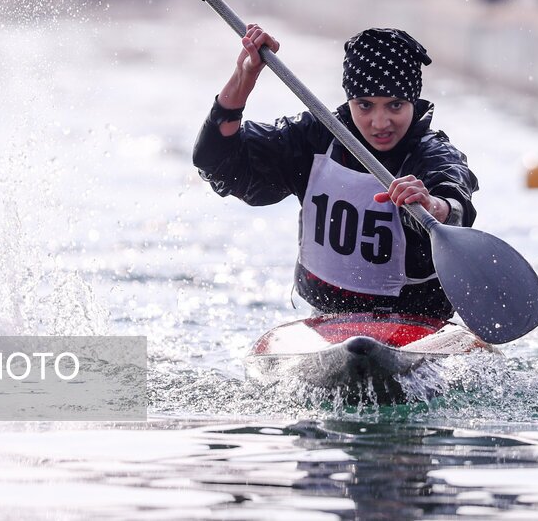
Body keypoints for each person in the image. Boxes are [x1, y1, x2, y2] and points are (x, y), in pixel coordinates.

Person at [192, 26, 479, 320]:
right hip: (326, 320)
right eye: (365, 105)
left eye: (395, 105)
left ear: (412, 102)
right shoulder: (314, 139)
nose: (380, 123)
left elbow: (457, 208)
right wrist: (244, 78)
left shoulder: (433, 155)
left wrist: (432, 207)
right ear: (349, 100)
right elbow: (216, 163)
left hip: (416, 322)